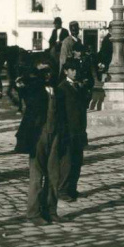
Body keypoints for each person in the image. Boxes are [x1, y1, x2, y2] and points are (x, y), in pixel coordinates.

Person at [15, 54, 62, 224]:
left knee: (54, 175)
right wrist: (25, 80)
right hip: (38, 136)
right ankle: (34, 213)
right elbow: (22, 87)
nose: (47, 75)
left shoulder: (58, 89)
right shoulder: (34, 89)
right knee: (36, 176)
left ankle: (51, 210)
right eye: (44, 71)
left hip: (55, 135)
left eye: (49, 71)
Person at [55, 59, 88, 202]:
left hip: (78, 130)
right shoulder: (62, 88)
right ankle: (62, 190)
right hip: (67, 131)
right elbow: (60, 113)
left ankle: (72, 189)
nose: (75, 72)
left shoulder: (78, 86)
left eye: (76, 69)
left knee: (77, 161)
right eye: (72, 70)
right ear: (65, 71)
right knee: (66, 162)